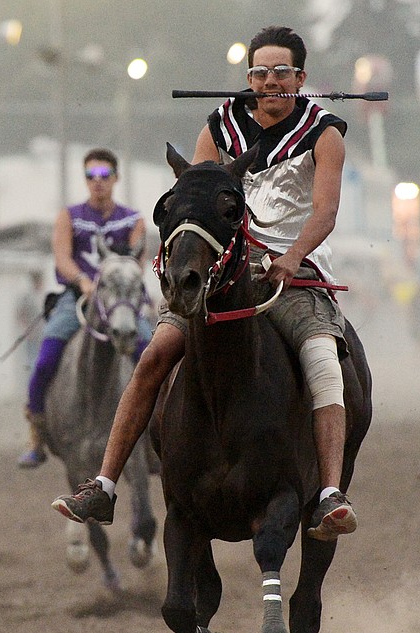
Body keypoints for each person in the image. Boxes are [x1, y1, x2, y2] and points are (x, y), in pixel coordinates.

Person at [52, 26, 358, 542]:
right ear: (249, 77)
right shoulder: (219, 126)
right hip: (220, 274)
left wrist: (292, 256)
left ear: (300, 78)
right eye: (259, 72)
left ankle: (329, 494)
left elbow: (325, 212)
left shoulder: (325, 134)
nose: (269, 80)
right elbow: (195, 199)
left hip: (294, 275)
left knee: (324, 361)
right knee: (152, 358)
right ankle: (103, 485)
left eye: (281, 71)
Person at [17, 148, 153, 468]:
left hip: (120, 298)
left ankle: (158, 430)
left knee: (151, 353)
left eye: (104, 175)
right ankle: (37, 435)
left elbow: (137, 261)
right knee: (46, 358)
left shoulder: (133, 220)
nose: (97, 182)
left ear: (116, 178)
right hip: (76, 296)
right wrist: (83, 282)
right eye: (90, 176)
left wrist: (109, 285)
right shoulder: (69, 216)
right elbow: (62, 258)